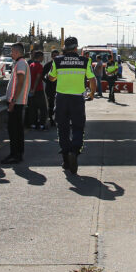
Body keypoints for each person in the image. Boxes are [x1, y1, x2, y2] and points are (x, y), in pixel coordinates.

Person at [46, 36, 95, 174]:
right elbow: (92, 79)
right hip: (77, 100)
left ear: (65, 48)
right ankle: (75, 151)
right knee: (78, 127)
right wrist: (91, 94)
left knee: (63, 129)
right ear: (76, 47)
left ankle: (66, 160)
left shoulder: (57, 61)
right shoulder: (85, 61)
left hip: (61, 99)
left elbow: (51, 77)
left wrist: (58, 75)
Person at [3, 43, 30, 164]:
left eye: (12, 51)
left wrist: (13, 100)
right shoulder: (21, 63)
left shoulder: (20, 64)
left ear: (18, 52)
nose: (10, 54)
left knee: (14, 130)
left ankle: (15, 154)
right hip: (18, 101)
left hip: (17, 102)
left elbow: (20, 82)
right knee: (17, 130)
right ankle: (17, 154)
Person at [27, 50, 46, 130]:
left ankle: (33, 124)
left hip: (31, 90)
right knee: (43, 108)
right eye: (43, 57)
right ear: (40, 57)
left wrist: (31, 89)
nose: (43, 58)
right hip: (38, 90)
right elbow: (38, 77)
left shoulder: (31, 65)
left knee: (33, 108)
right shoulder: (40, 66)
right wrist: (34, 89)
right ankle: (41, 124)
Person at [44, 50, 60, 126]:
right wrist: (48, 81)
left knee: (60, 105)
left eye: (57, 56)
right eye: (54, 56)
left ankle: (59, 119)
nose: (55, 57)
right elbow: (42, 76)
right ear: (51, 56)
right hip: (50, 89)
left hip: (60, 89)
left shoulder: (61, 65)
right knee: (51, 105)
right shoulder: (48, 65)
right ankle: (51, 119)